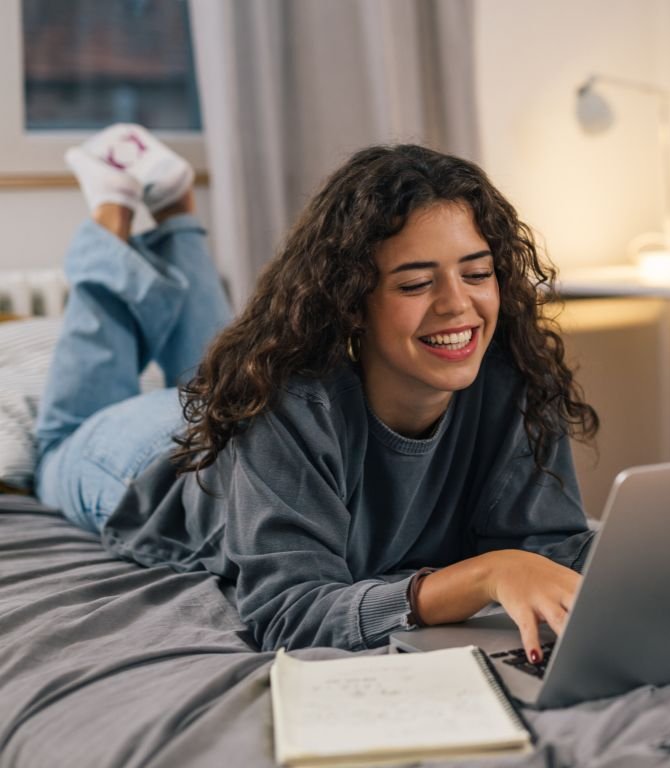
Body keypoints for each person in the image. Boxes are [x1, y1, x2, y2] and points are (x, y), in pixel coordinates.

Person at [34, 125, 599, 664]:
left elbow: (545, 551)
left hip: (227, 411)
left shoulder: (515, 375)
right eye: (415, 283)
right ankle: (112, 208)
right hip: (155, 459)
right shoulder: (289, 405)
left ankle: (178, 208)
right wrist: (482, 575)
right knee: (58, 443)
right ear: (352, 300)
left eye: (476, 273)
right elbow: (291, 612)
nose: (458, 305)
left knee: (215, 374)